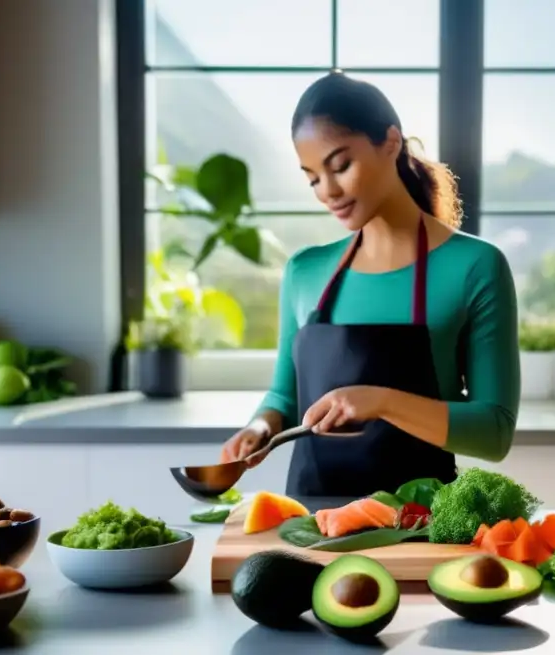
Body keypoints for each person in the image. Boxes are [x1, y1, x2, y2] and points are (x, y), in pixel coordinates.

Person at [220, 71, 521, 498]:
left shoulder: (475, 266)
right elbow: (284, 399)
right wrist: (259, 428)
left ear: (391, 143)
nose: (328, 191)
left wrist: (379, 401)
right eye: (312, 177)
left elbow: (494, 433)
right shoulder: (305, 272)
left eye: (340, 165)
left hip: (421, 530)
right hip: (309, 529)